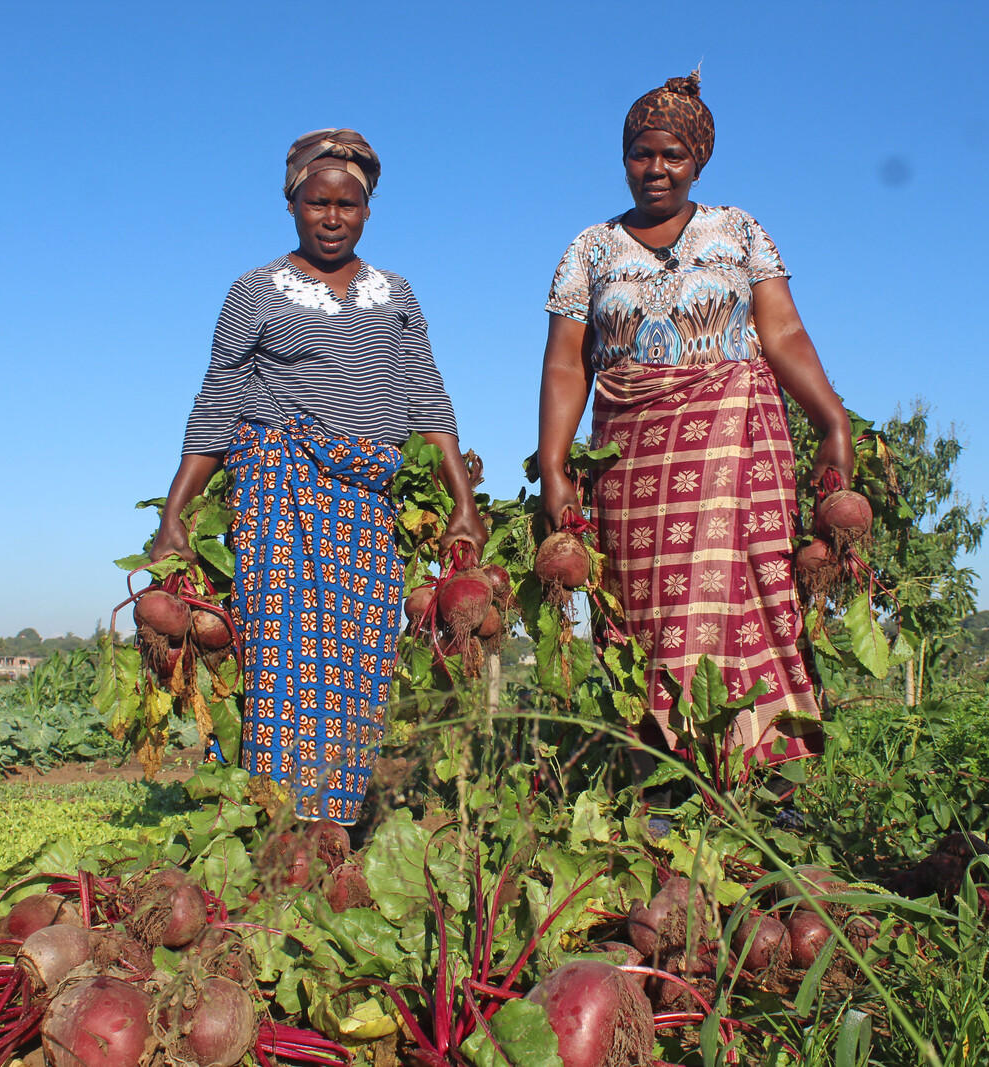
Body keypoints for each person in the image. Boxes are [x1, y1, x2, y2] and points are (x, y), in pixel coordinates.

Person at [152, 129, 486, 823]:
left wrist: (463, 503)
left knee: (358, 664)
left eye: (347, 205)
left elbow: (427, 399)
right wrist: (174, 515)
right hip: (281, 483)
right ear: (293, 204)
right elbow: (216, 399)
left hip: (368, 497)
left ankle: (335, 822)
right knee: (285, 659)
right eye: (316, 202)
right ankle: (282, 829)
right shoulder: (255, 291)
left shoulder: (396, 294)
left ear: (368, 211)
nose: (331, 217)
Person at [536, 73, 854, 769]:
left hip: (736, 436)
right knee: (644, 610)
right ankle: (663, 776)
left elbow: (786, 334)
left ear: (699, 159)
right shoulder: (591, 248)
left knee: (757, 594)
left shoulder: (738, 231)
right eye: (641, 154)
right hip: (632, 459)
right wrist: (555, 465)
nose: (655, 169)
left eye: (672, 155)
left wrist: (832, 420)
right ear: (624, 158)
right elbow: (567, 363)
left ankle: (768, 777)